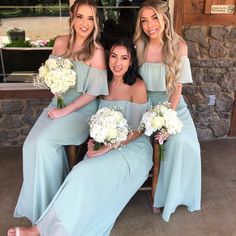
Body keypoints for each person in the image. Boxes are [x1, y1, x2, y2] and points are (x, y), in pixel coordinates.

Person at [8, 38, 153, 236]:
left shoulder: (137, 86)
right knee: (78, 172)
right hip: (105, 144)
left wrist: (109, 147)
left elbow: (140, 129)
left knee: (83, 173)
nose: (118, 63)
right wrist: (96, 139)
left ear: (131, 62)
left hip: (133, 148)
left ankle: (41, 229)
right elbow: (97, 121)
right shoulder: (103, 85)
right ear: (108, 58)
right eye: (114, 56)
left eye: (124, 58)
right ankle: (45, 228)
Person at [13, 0, 108, 225]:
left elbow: (94, 92)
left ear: (96, 23)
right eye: (80, 17)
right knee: (30, 146)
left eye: (90, 18)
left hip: (80, 110)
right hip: (57, 105)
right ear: (72, 18)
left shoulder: (97, 52)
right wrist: (54, 85)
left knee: (44, 142)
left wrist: (67, 110)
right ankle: (43, 205)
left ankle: (53, 209)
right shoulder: (59, 43)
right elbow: (49, 74)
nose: (84, 23)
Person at [134, 0, 201, 222]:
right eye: (144, 20)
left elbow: (177, 88)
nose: (149, 25)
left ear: (165, 18)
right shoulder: (140, 46)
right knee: (139, 144)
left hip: (173, 105)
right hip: (145, 104)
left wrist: (167, 119)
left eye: (154, 17)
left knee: (183, 143)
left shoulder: (179, 46)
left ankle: (168, 197)